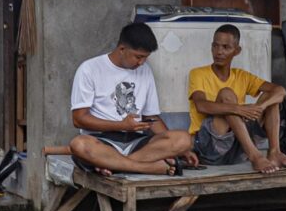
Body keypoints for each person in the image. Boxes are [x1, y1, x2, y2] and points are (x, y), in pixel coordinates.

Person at [69, 22, 198, 176]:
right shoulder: (89, 69)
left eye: (145, 58)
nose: (142, 62)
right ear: (122, 49)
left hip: (136, 142)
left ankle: (115, 165)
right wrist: (121, 125)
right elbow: (79, 120)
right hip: (102, 141)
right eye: (138, 57)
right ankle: (147, 167)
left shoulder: (145, 70)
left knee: (184, 139)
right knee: (79, 145)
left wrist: (181, 149)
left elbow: (151, 118)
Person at [188, 24, 286, 174]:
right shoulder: (198, 73)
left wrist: (261, 106)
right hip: (211, 147)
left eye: (226, 47)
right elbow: (201, 106)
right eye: (216, 46)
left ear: (237, 51)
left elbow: (281, 91)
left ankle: (275, 152)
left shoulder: (242, 76)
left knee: (271, 97)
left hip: (238, 145)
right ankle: (256, 157)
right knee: (227, 94)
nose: (219, 52)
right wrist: (239, 109)